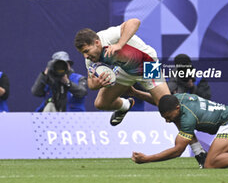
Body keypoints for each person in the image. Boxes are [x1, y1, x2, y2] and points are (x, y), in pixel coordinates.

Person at [74, 18, 207, 167]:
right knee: (101, 103)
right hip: (125, 70)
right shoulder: (90, 59)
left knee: (170, 108)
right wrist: (97, 84)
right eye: (82, 53)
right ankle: (125, 105)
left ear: (97, 43)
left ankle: (199, 152)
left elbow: (134, 22)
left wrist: (119, 44)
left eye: (86, 51)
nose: (85, 56)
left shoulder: (109, 36)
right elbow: (91, 84)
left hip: (148, 64)